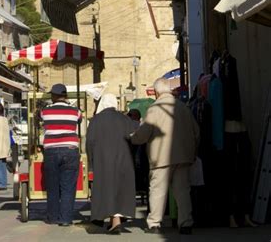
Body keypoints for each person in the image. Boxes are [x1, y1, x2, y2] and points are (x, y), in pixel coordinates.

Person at [131, 77, 200, 235]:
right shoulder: (184, 108)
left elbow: (143, 134)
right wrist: (193, 152)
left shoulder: (155, 109)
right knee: (182, 191)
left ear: (156, 92)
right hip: (183, 157)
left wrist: (133, 138)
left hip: (161, 158)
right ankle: (186, 223)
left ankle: (155, 223)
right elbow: (196, 133)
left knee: (158, 190)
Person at [86, 94, 137, 234]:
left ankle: (112, 221)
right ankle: (115, 221)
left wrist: (91, 162)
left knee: (106, 189)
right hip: (123, 158)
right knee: (120, 188)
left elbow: (89, 142)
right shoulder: (125, 119)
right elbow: (133, 138)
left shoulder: (96, 120)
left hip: (102, 160)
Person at [40, 83, 82, 227]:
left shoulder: (45, 111)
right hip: (70, 150)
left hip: (51, 151)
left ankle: (52, 217)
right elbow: (79, 121)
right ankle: (65, 219)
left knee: (52, 186)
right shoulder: (75, 111)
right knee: (68, 187)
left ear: (53, 96)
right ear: (65, 96)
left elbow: (41, 122)